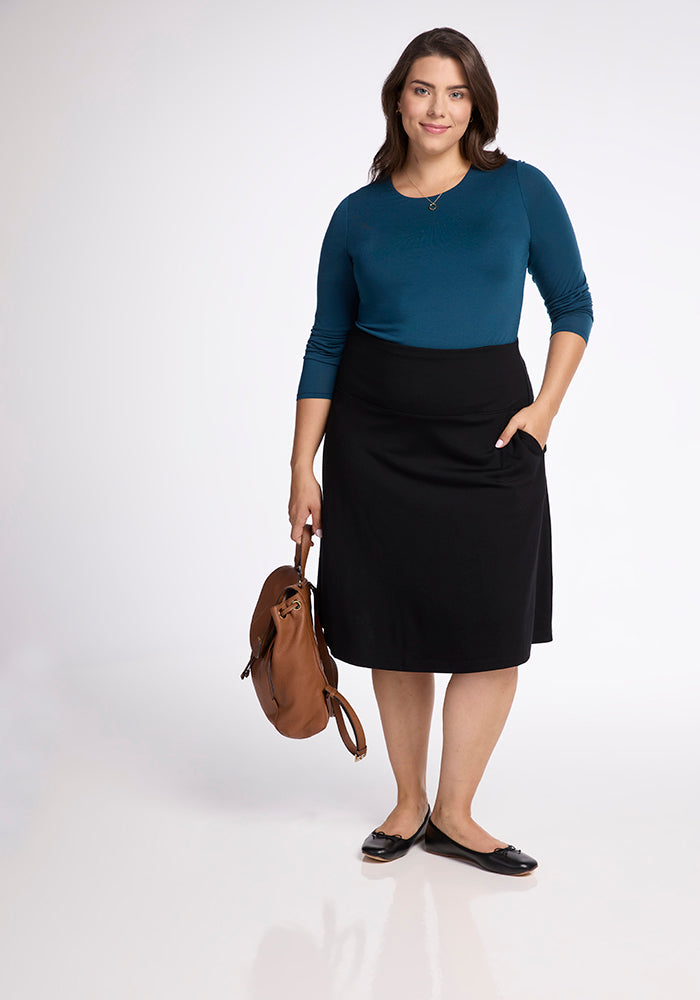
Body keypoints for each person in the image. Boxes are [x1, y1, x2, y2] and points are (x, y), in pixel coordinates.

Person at [288, 27, 593, 876]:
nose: (439, 108)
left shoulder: (520, 192)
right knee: (394, 630)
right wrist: (300, 465)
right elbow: (325, 343)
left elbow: (573, 305)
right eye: (424, 90)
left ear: (476, 105)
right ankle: (409, 803)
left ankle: (457, 813)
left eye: (456, 93)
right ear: (398, 98)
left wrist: (543, 411)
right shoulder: (357, 213)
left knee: (494, 633)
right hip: (375, 444)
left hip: (490, 433)